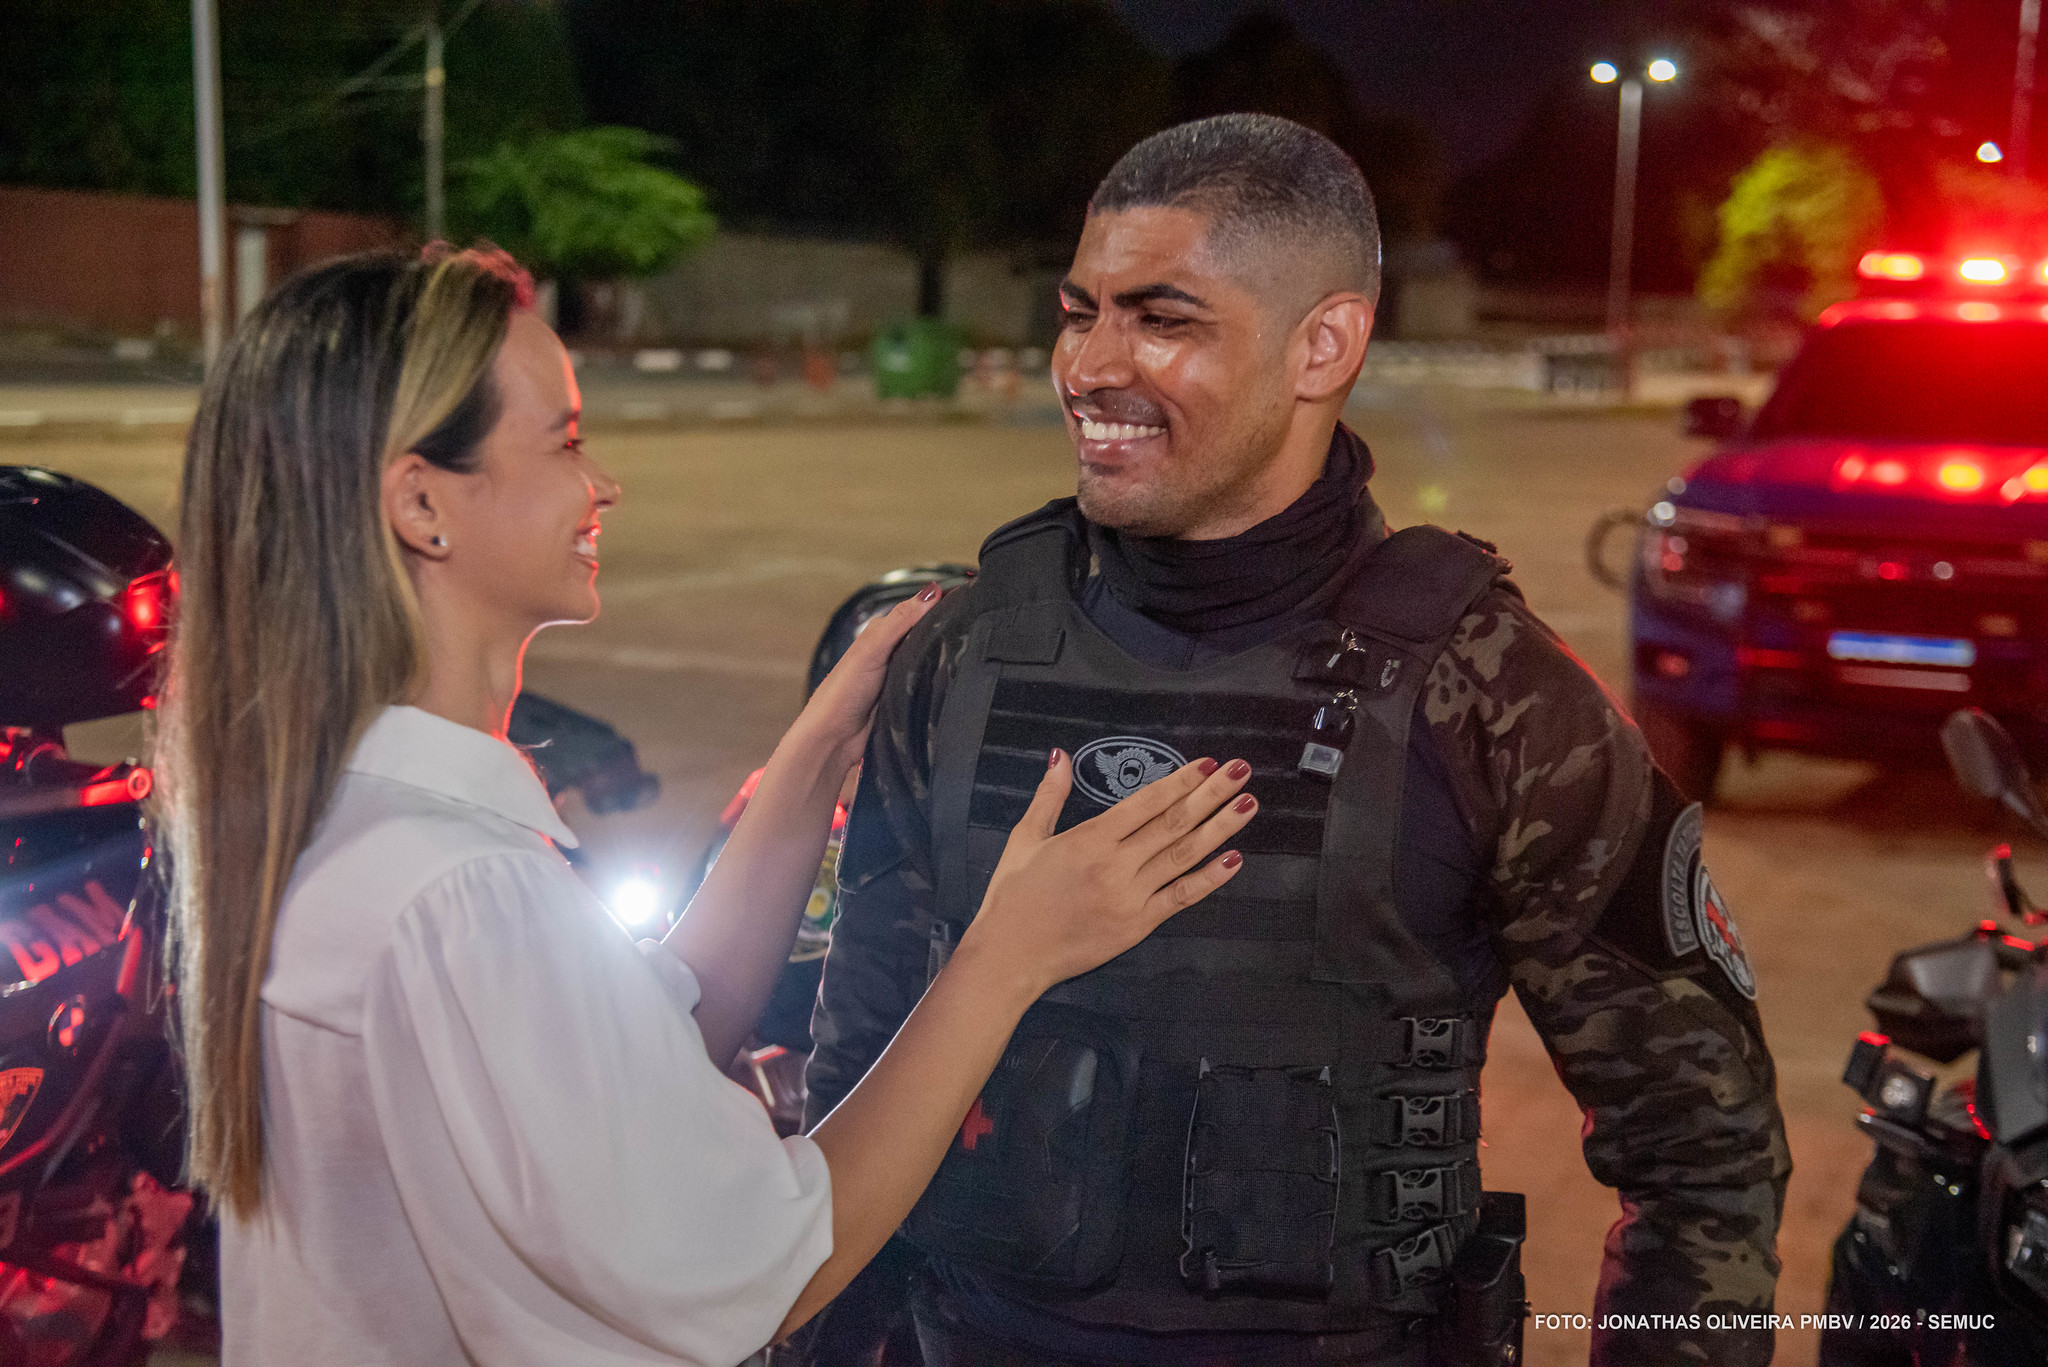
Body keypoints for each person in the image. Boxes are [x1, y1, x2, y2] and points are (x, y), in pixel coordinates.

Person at [153, 245, 1261, 1367]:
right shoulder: (461, 893)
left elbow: (644, 1051)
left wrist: (814, 751)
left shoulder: (347, 822)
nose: (601, 485)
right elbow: (769, 1255)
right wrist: (1010, 954)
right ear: (423, 502)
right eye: (565, 440)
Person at [804, 114, 1791, 1367]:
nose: (1089, 364)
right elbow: (851, 1065)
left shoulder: (1485, 693)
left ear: (1321, 343)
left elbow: (1701, 1149)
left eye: (1161, 320)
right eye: (1077, 310)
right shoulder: (963, 654)